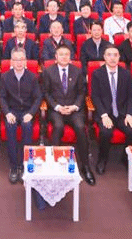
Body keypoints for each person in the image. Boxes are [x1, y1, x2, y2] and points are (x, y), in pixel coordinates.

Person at [42, 45, 96, 185]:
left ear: (70, 57)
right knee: (58, 126)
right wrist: (57, 107)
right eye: (61, 54)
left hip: (74, 109)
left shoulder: (77, 71)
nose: (64, 57)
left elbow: (82, 92)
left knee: (80, 127)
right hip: (56, 109)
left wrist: (75, 106)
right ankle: (54, 163)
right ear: (56, 57)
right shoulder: (48, 71)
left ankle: (85, 166)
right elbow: (46, 93)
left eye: (67, 54)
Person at [90, 45, 132, 174]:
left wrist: (129, 114)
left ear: (119, 57)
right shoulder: (97, 74)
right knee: (106, 132)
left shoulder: (126, 74)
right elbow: (95, 96)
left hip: (122, 113)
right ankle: (102, 159)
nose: (112, 58)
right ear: (104, 57)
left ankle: (126, 158)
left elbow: (131, 96)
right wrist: (104, 115)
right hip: (105, 113)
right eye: (109, 55)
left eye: (115, 55)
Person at [0, 47, 41, 184]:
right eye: (16, 60)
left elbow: (38, 98)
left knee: (27, 127)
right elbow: (1, 97)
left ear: (25, 61)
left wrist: (31, 113)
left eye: (21, 59)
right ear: (11, 61)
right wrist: (7, 112)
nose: (19, 62)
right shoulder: (5, 77)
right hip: (12, 111)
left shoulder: (33, 77)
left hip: (27, 111)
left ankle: (24, 164)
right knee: (10, 127)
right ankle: (13, 166)